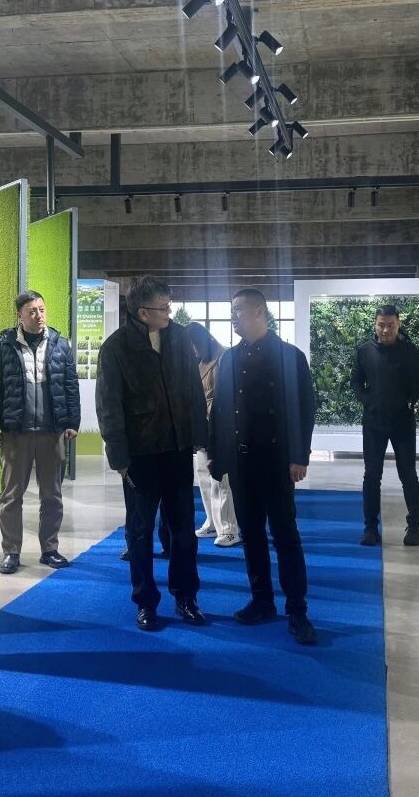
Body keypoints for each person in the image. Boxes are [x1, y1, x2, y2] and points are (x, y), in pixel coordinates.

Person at [96, 276, 208, 631]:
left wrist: (199, 435)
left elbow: (193, 389)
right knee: (140, 532)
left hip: (177, 450)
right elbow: (108, 406)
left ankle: (186, 597)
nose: (169, 313)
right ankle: (146, 602)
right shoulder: (115, 349)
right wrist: (118, 457)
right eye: (163, 308)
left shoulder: (179, 338)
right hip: (140, 456)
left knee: (184, 531)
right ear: (142, 313)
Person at [209, 288, 318, 646]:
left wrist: (299, 455)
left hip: (277, 460)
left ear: (259, 312)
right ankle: (262, 601)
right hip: (241, 461)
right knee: (251, 535)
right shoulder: (230, 358)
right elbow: (220, 409)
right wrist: (216, 454)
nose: (233, 317)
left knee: (285, 536)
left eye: (238, 310)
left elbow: (305, 408)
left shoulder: (289, 356)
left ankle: (297, 610)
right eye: (232, 311)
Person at [0, 290, 80, 574]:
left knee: (52, 496)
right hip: (16, 433)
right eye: (32, 311)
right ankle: (11, 551)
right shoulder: (5, 346)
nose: (39, 315)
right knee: (12, 496)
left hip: (52, 433)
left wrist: (72, 421)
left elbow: (70, 384)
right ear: (20, 316)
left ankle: (50, 549)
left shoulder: (60, 344)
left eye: (42, 309)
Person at [351, 304, 419, 546]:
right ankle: (370, 528)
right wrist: (368, 401)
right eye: (381, 325)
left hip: (402, 421)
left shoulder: (410, 351)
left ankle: (414, 527)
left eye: (390, 325)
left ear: (398, 324)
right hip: (373, 422)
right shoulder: (364, 351)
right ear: (375, 325)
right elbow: (356, 381)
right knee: (372, 475)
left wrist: (408, 401)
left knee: (408, 474)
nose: (385, 330)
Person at [186, 321, 240, 548]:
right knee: (203, 477)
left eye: (194, 345)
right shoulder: (199, 363)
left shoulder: (225, 358)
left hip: (220, 426)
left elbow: (227, 397)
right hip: (201, 426)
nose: (193, 350)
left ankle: (229, 529)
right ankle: (212, 521)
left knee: (221, 479)